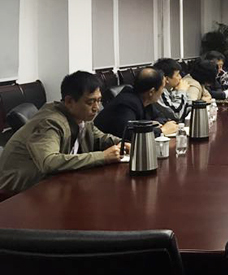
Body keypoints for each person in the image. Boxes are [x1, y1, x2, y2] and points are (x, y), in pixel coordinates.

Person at [0, 71, 130, 194]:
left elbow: (100, 138)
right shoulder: (50, 122)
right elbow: (49, 162)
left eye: (99, 100)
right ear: (69, 102)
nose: (96, 107)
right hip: (18, 193)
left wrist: (124, 143)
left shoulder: (81, 117)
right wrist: (103, 157)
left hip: (49, 184)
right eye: (90, 102)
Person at [95, 67, 175, 138]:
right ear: (151, 92)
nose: (162, 91)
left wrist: (154, 126)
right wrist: (162, 130)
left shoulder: (145, 100)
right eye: (162, 88)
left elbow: (160, 117)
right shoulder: (126, 104)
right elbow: (130, 134)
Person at [153, 58, 191, 122]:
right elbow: (176, 114)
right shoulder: (159, 92)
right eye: (177, 75)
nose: (180, 77)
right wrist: (181, 91)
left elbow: (186, 108)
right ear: (167, 79)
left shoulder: (170, 90)